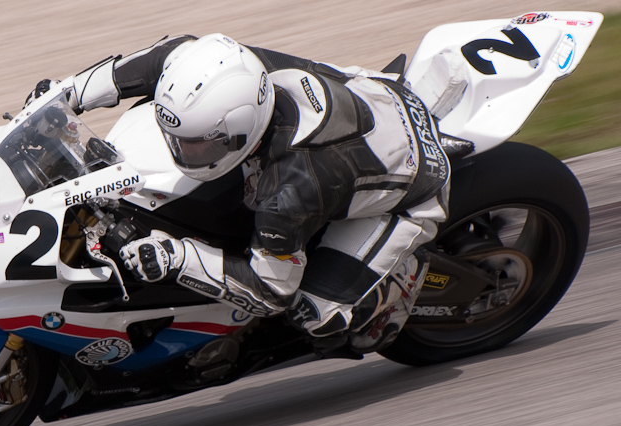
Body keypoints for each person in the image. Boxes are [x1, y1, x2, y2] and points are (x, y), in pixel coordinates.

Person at [27, 33, 450, 356]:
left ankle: (400, 282)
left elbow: (272, 291)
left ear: (241, 131)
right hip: (372, 95)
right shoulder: (232, 69)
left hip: (414, 188)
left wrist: (178, 258)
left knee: (316, 317)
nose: (183, 150)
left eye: (197, 144)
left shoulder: (291, 190)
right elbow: (164, 56)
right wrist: (67, 95)